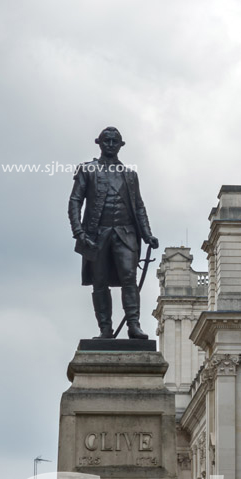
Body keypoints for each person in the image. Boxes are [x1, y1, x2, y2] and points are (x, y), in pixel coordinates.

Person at [68, 126, 159, 339]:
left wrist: (147, 234)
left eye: (114, 141)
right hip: (96, 235)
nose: (110, 145)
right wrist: (79, 232)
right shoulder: (87, 170)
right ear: (99, 143)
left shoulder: (130, 175)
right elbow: (75, 201)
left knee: (129, 277)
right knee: (100, 281)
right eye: (106, 141)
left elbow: (138, 207)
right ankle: (105, 329)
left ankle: (133, 326)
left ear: (120, 145)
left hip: (125, 234)